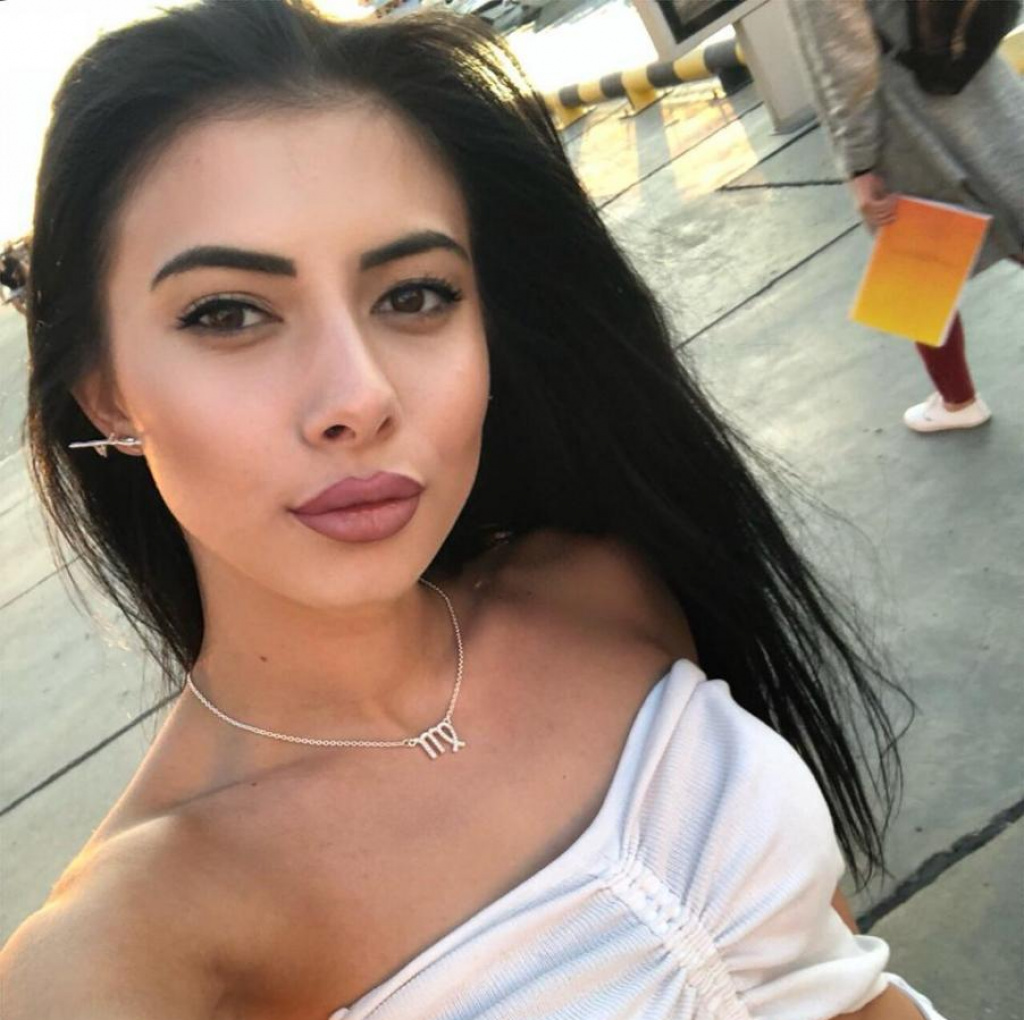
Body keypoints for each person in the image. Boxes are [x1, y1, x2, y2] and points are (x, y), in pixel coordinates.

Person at [1, 2, 943, 1017]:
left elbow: (832, 960)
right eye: (228, 313)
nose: (359, 397)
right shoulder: (129, 942)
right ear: (105, 392)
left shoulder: (605, 585)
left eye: (413, 295)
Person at [787, 0, 1024, 433]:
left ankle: (957, 399)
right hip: (973, 71)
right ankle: (954, 397)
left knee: (914, 261)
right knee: (1013, 203)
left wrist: (858, 164)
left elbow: (845, 58)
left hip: (904, 116)